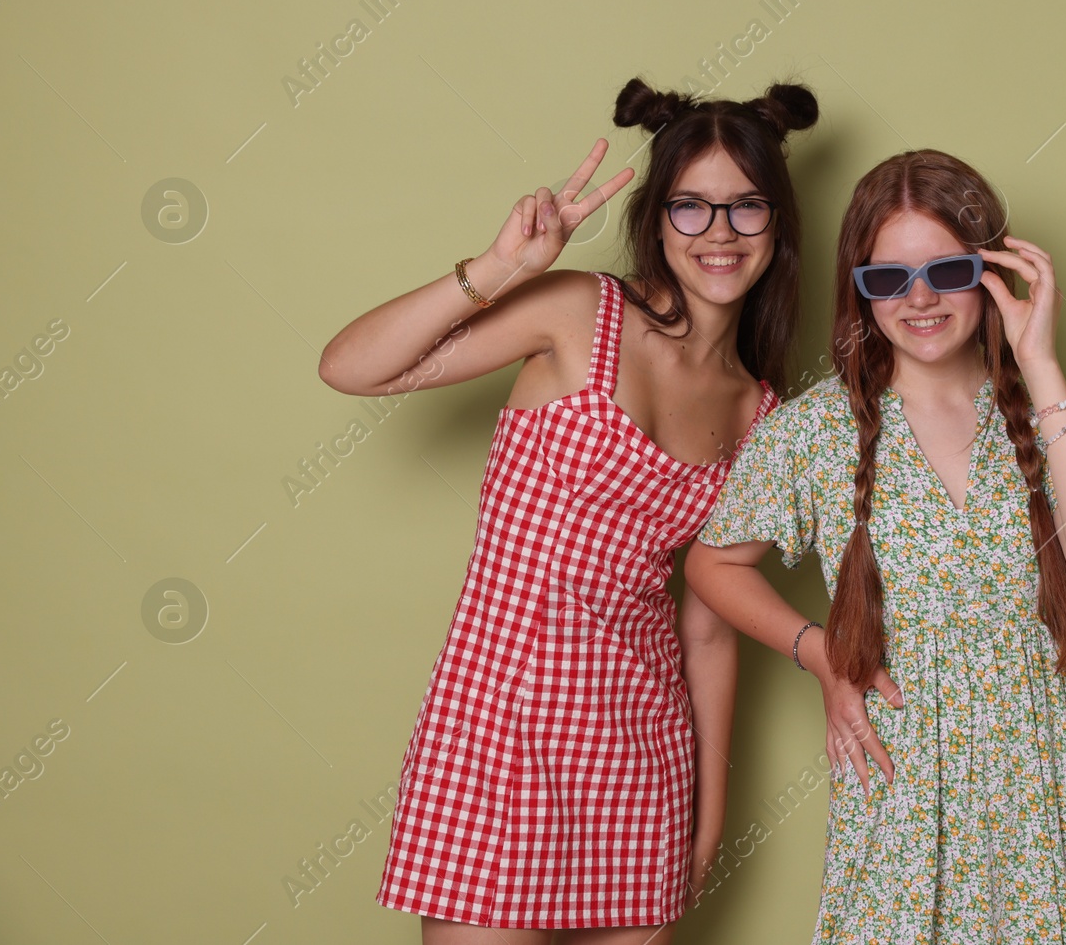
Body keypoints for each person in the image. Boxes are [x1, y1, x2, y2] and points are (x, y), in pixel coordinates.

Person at [317, 76, 819, 943]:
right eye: (692, 208)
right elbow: (353, 367)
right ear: (658, 219)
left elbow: (706, 626)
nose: (721, 233)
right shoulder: (579, 313)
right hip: (497, 729)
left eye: (746, 207)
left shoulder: (760, 412)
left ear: (778, 224)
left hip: (640, 748)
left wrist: (707, 812)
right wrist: (499, 268)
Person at [685, 149, 1066, 943]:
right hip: (905, 774)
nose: (919, 298)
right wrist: (822, 652)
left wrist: (1040, 364)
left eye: (946, 269)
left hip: (1047, 763)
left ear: (991, 270)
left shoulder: (1064, 415)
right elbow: (710, 562)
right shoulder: (816, 430)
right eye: (886, 280)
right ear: (859, 291)